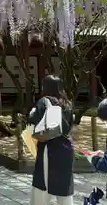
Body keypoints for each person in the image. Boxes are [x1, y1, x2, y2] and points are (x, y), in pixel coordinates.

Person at [28, 75, 74, 205]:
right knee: (64, 187)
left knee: (42, 185)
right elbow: (70, 125)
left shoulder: (44, 101)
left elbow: (32, 122)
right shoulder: (67, 104)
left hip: (49, 149)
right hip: (66, 148)